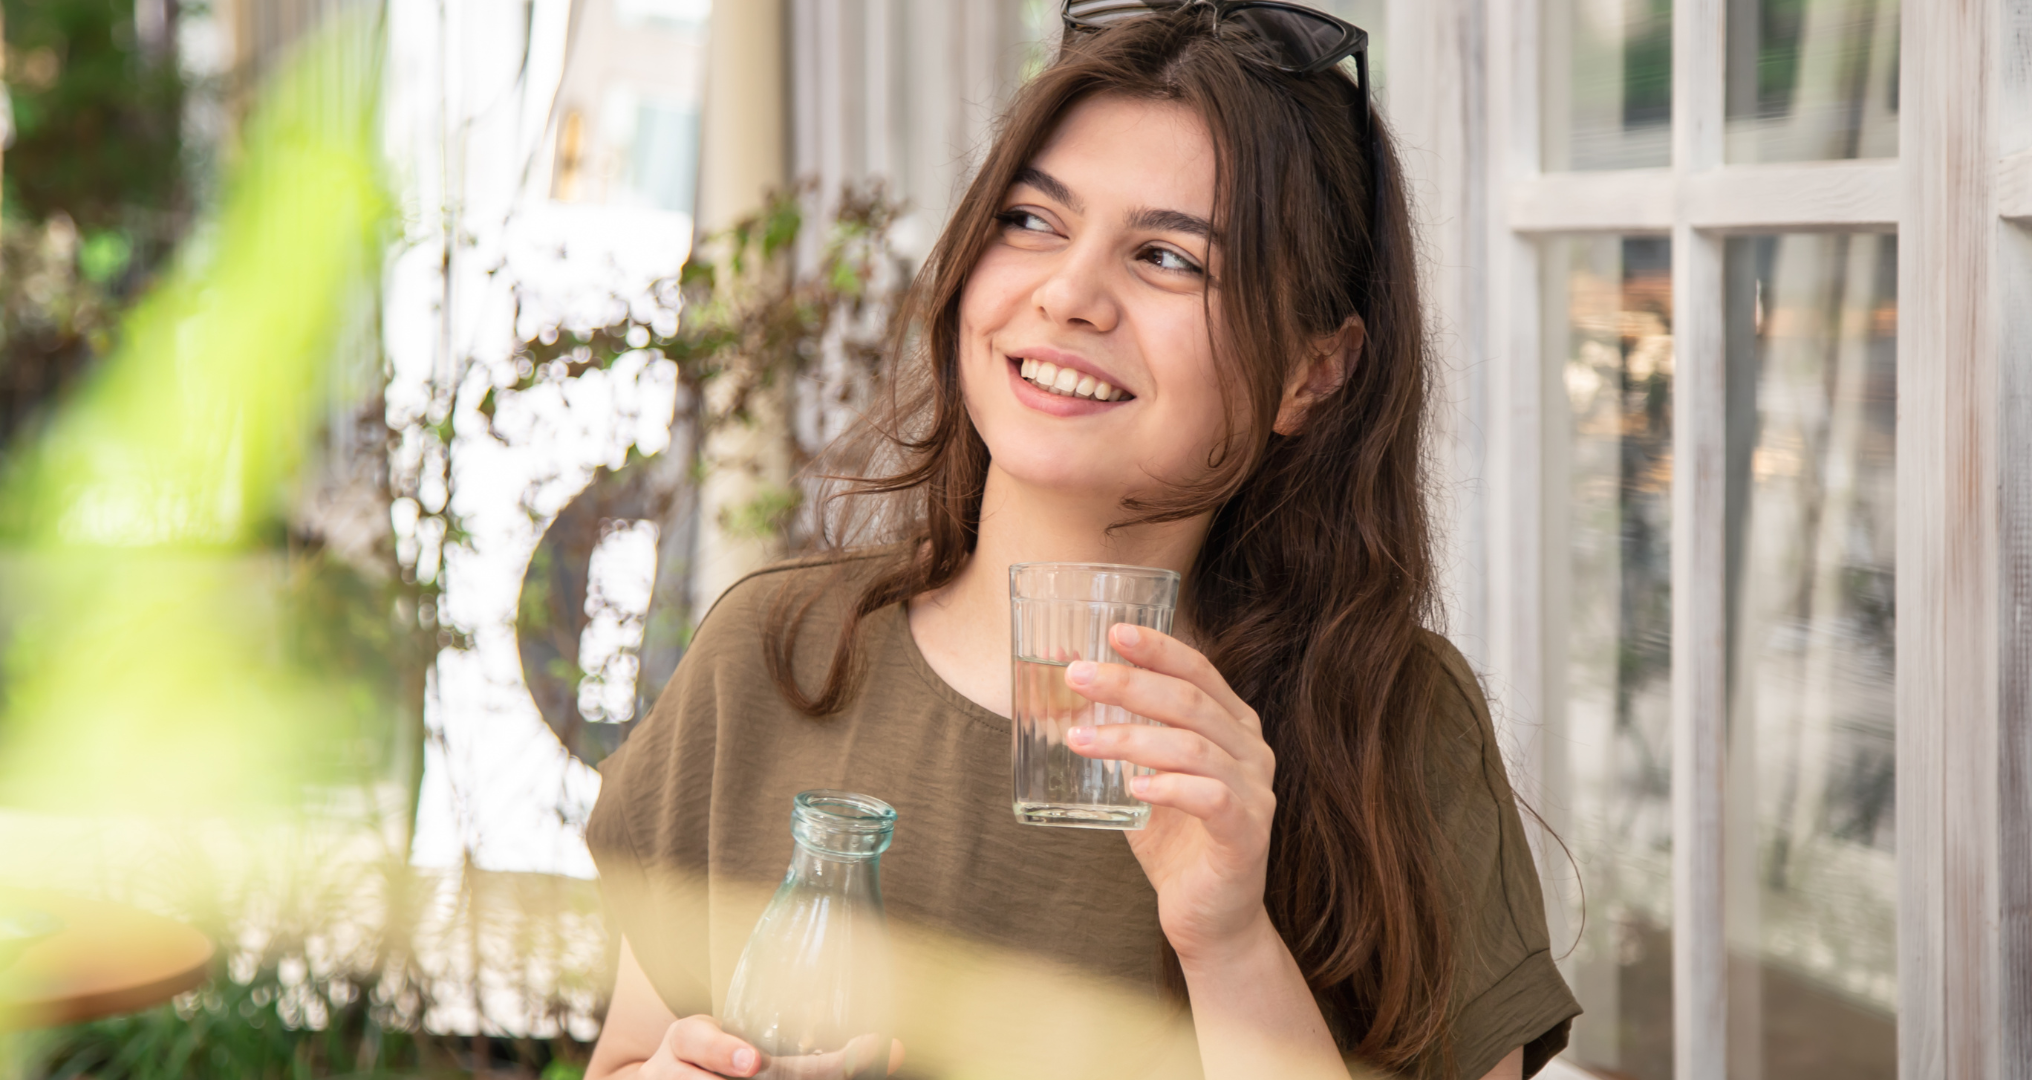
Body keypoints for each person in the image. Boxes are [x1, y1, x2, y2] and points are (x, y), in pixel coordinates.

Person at [583, 4, 1580, 1078]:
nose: (1066, 294)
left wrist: (1228, 941)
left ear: (1312, 372)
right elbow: (627, 1058)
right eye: (1030, 221)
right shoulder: (779, 656)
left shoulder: (1389, 725)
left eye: (1165, 257)